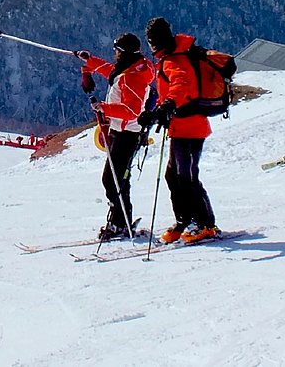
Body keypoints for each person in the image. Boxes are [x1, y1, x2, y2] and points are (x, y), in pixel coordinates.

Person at [138, 17, 218, 244]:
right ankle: (185, 219)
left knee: (187, 176)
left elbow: (181, 86)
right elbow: (170, 91)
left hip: (191, 127)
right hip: (181, 127)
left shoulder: (176, 59)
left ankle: (205, 223)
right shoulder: (170, 57)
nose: (151, 45)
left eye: (152, 40)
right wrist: (155, 111)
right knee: (174, 175)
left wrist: (167, 106)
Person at [76, 32, 157, 241]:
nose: (114, 54)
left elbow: (132, 110)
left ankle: (119, 223)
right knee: (119, 179)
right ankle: (121, 221)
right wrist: (90, 61)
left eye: (116, 51)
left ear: (122, 53)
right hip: (121, 131)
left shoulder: (132, 77)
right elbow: (112, 73)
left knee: (111, 179)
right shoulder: (132, 68)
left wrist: (103, 108)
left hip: (127, 133)